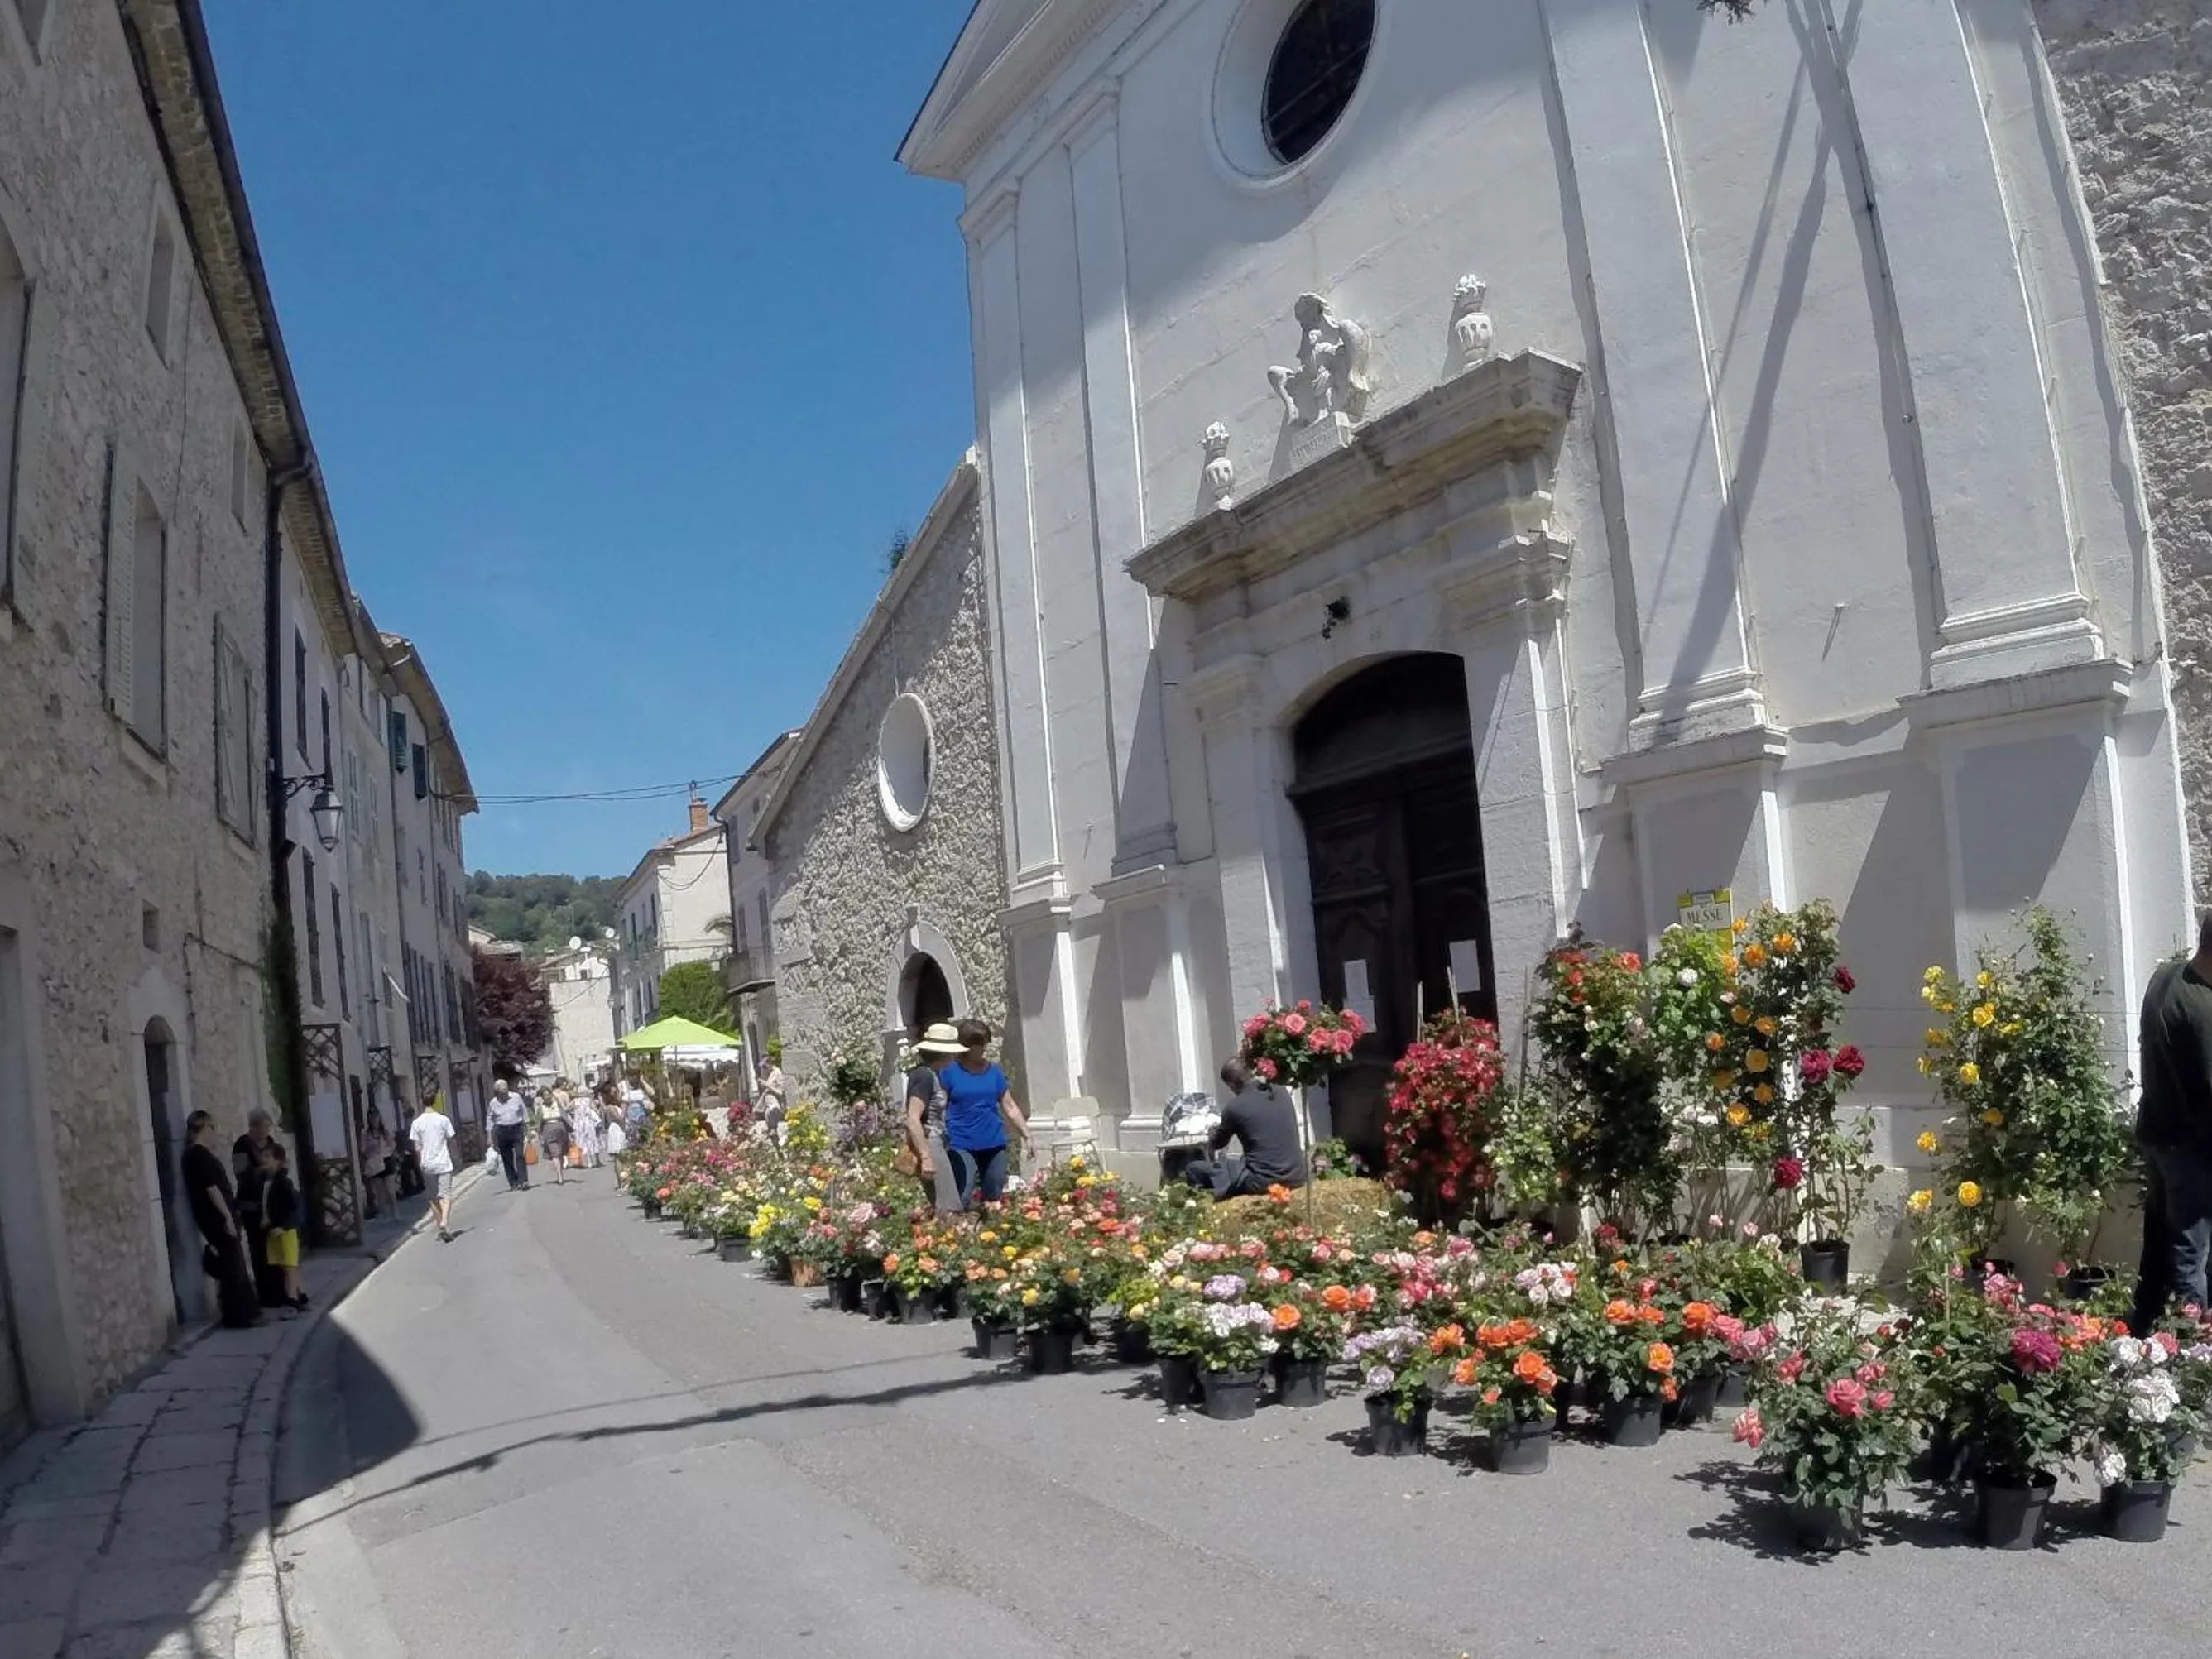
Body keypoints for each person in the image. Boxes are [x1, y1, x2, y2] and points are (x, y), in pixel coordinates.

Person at [2131, 917, 2212, 1333]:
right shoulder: (2202, 1011)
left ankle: (2142, 1326)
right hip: (2191, 1147)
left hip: (2158, 1134)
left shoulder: (2165, 976)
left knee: (2161, 1243)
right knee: (2191, 1252)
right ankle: (2192, 1347)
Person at [1182, 1057, 1308, 1200]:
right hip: (1297, 1175)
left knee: (1194, 1169)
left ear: (1231, 1084)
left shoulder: (1235, 1107)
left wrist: (1213, 1134)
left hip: (1263, 1181)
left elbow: (1218, 1144)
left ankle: (1200, 1205)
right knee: (1237, 1163)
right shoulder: (1280, 1091)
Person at [182, 1110, 259, 1326]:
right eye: (212, 1128)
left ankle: (240, 1313)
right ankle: (239, 1315)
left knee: (231, 1264)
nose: (214, 1133)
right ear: (204, 1128)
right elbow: (212, 1188)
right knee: (233, 1265)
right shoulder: (199, 1155)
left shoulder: (191, 1156)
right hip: (217, 1217)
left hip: (212, 1216)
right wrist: (226, 1216)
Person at [940, 1018, 1028, 1209]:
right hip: (961, 1142)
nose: (982, 1048)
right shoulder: (949, 1072)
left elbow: (1010, 1106)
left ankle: (990, 1234)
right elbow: (940, 1106)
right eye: (977, 1044)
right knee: (963, 1193)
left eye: (984, 1043)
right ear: (965, 1045)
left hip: (993, 1142)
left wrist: (1027, 1135)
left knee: (994, 1194)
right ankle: (957, 1232)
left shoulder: (994, 1072)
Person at [903, 1022, 967, 1215]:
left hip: (935, 1141)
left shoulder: (932, 1074)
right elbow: (913, 1119)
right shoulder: (924, 1076)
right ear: (943, 1053)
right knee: (947, 1205)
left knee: (941, 1203)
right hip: (929, 1142)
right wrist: (926, 1157)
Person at [230, 1107, 282, 1307]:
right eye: (264, 1126)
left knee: (276, 1248)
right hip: (252, 1206)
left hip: (272, 1203)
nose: (267, 1131)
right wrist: (263, 1170)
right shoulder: (242, 1145)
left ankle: (281, 1292)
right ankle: (267, 1296)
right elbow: (241, 1173)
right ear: (254, 1126)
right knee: (260, 1251)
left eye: (269, 1126)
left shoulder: (271, 1144)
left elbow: (281, 1165)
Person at [259, 1141, 307, 1312]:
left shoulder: (283, 1182)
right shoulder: (267, 1180)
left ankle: (292, 1300)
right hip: (273, 1229)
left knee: (289, 1266)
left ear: (278, 1160)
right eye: (262, 1156)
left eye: (267, 1156)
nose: (263, 1159)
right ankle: (301, 1294)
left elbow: (293, 1207)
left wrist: (284, 1226)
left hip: (285, 1230)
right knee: (286, 1264)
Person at [411, 1092, 458, 1242]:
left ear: (421, 1102)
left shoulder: (417, 1123)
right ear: (435, 1101)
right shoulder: (443, 1120)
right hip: (443, 1162)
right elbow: (452, 1140)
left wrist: (421, 1162)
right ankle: (445, 1221)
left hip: (428, 1164)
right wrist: (455, 1156)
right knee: (446, 1195)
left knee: (433, 1198)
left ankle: (441, 1227)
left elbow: (417, 1146)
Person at [487, 1076, 530, 1191]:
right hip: (502, 1131)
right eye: (501, 1088)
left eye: (505, 1087)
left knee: (520, 1155)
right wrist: (490, 1137)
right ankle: (513, 1182)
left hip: (517, 1129)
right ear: (497, 1090)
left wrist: (528, 1128)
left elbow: (524, 1111)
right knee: (507, 1158)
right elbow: (490, 1120)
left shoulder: (516, 1097)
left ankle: (524, 1180)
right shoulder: (493, 1103)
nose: (504, 1089)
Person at [362, 1113, 396, 1220]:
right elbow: (362, 1148)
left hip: (386, 1160)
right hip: (375, 1162)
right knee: (379, 1191)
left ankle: (395, 1212)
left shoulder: (385, 1132)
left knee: (390, 1190)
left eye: (376, 1118)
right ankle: (385, 1214)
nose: (374, 1121)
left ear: (379, 1119)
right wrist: (371, 1152)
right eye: (372, 1119)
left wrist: (388, 1151)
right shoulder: (366, 1134)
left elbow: (393, 1144)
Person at [535, 1085, 572, 1186]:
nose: (547, 1097)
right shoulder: (541, 1108)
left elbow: (564, 1115)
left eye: (548, 1094)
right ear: (542, 1097)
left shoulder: (557, 1105)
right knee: (555, 1154)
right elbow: (539, 1123)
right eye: (545, 1095)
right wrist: (540, 1136)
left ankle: (560, 1174)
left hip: (560, 1130)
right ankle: (560, 1176)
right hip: (550, 1129)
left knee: (559, 1153)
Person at [570, 1085, 606, 1169]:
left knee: (584, 1143)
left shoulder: (575, 1101)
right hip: (588, 1123)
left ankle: (589, 1161)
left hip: (579, 1124)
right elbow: (595, 1109)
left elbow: (566, 1109)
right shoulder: (588, 1100)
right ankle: (597, 1160)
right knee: (592, 1141)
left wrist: (573, 1114)